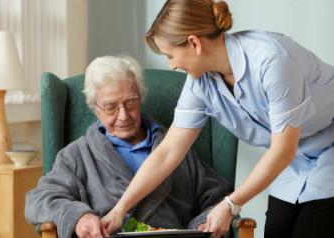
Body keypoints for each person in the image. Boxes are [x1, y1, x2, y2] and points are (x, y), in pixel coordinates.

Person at [101, 1, 334, 237]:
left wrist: (230, 205)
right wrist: (121, 209)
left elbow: (283, 150)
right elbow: (167, 152)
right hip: (292, 162)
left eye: (171, 55)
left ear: (194, 43)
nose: (171, 66)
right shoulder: (200, 83)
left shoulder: (271, 60)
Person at [25, 55, 233, 238]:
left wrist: (205, 223)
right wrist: (78, 216)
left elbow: (217, 196)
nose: (123, 116)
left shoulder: (175, 148)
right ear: (95, 109)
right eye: (111, 107)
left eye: (131, 103)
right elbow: (39, 198)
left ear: (141, 99)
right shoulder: (77, 155)